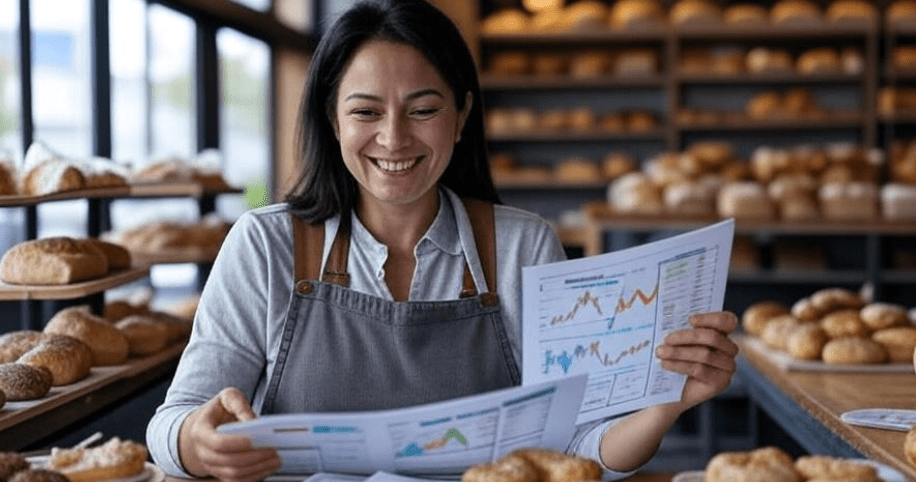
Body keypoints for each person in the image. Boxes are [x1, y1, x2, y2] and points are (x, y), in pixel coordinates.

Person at [146, 1, 739, 481]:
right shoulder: (264, 244)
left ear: (460, 116)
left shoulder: (521, 247)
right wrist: (197, 444)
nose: (394, 138)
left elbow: (579, 452)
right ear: (333, 121)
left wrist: (666, 403)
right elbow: (171, 422)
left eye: (423, 109)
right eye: (366, 112)